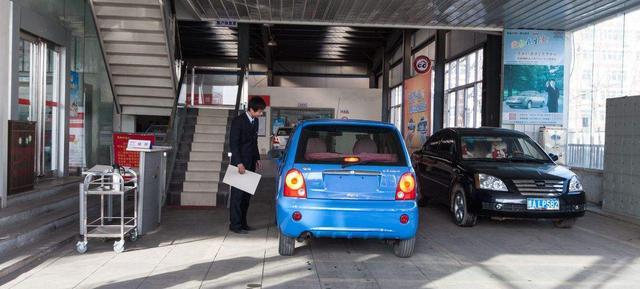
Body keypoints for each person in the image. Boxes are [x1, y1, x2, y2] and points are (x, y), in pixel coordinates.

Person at [228, 96, 266, 234]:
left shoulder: (255, 121)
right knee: (237, 196)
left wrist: (257, 158)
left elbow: (254, 142)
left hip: (250, 162)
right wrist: (239, 163)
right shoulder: (238, 121)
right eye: (260, 111)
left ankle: (243, 223)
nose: (261, 114)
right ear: (251, 109)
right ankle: (235, 225)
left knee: (246, 197)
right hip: (239, 164)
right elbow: (234, 144)